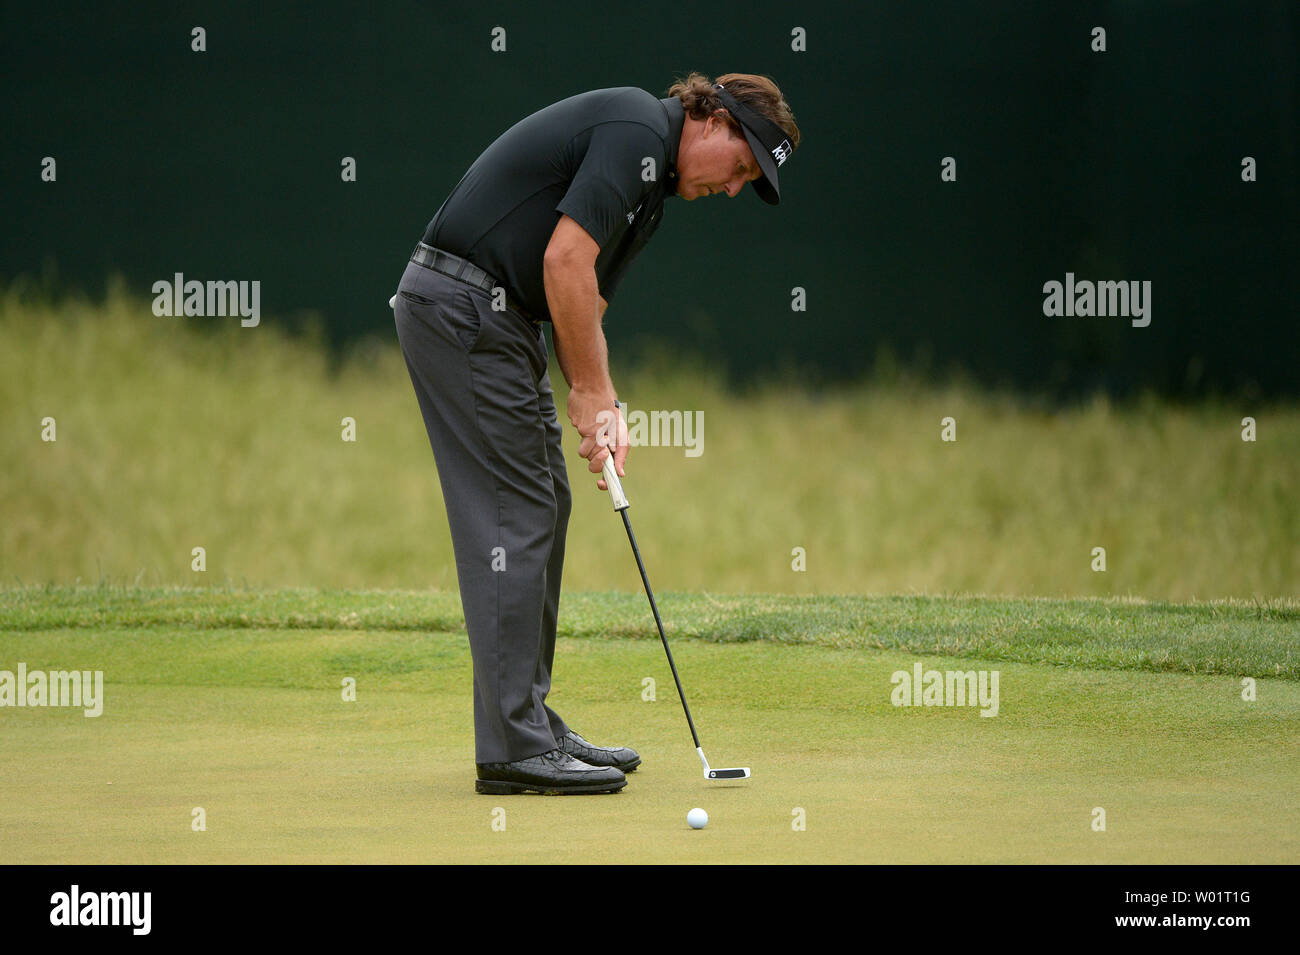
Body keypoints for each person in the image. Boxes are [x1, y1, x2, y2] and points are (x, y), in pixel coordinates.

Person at [392, 71, 800, 794]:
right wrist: (586, 388)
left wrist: (603, 409)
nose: (733, 188)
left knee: (546, 498)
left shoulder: (650, 200)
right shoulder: (638, 127)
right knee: (516, 511)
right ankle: (514, 744)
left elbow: (587, 300)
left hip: (499, 321)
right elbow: (563, 261)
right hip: (463, 306)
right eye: (740, 167)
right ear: (713, 120)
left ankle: (529, 720)